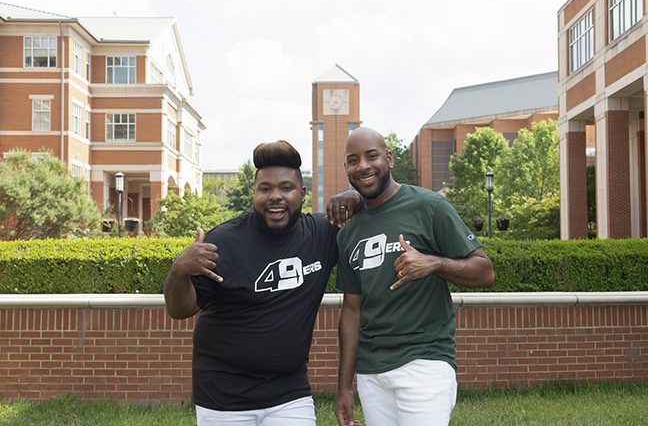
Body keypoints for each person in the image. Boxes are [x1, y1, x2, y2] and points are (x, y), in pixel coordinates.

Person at [163, 140, 360, 426]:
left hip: (290, 392)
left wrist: (354, 196)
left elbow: (378, 200)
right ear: (254, 193)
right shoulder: (223, 242)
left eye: (286, 188)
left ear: (302, 194)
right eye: (265, 189)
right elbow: (179, 310)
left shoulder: (322, 235)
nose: (275, 197)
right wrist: (178, 271)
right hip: (224, 397)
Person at [335, 127, 495, 426]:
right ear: (346, 168)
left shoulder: (429, 206)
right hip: (371, 372)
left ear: (389, 158)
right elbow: (351, 310)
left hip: (424, 361)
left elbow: (485, 271)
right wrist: (344, 387)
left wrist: (434, 263)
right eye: (353, 160)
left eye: (372, 156)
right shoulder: (349, 232)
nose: (364, 166)